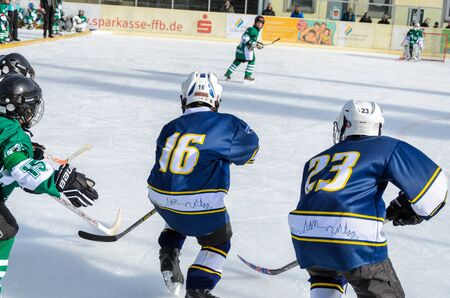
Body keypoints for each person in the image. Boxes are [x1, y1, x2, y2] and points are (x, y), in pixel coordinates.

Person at [288, 100, 447, 298]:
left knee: (326, 279)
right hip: (352, 237)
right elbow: (434, 190)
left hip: (305, 237)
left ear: (345, 124)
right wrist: (412, 210)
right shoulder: (386, 146)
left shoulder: (315, 160)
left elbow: (318, 201)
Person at [147, 72, 259, 298]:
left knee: (176, 218)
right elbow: (251, 152)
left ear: (184, 99)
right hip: (200, 204)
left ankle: (168, 249)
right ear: (216, 100)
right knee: (219, 241)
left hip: (159, 198)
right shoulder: (228, 124)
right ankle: (198, 287)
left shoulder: (169, 127)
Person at [0, 70, 99, 293]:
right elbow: (18, 167)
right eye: (32, 105)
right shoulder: (13, 134)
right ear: (20, 107)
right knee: (5, 229)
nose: (34, 111)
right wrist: (58, 179)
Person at [224, 15, 264, 82]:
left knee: (238, 60)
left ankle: (228, 73)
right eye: (258, 22)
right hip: (245, 49)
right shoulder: (253, 30)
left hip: (240, 49)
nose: (259, 24)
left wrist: (257, 44)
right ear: (255, 22)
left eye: (261, 23)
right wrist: (252, 43)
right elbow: (244, 37)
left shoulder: (254, 30)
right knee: (252, 60)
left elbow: (251, 40)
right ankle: (247, 75)